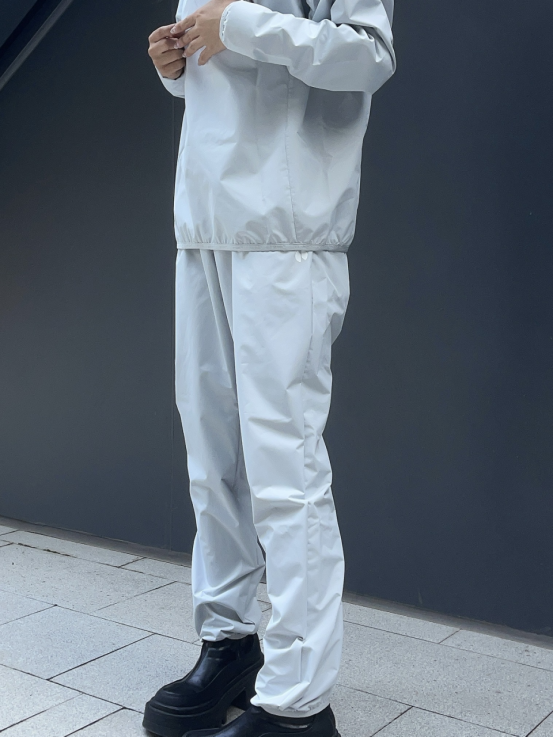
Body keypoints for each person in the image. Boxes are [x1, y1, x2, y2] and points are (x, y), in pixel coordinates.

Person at [143, 0, 395, 735]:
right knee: (212, 459)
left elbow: (368, 56)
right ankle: (229, 644)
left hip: (287, 229)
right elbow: (225, 75)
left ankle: (297, 703)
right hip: (203, 219)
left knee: (285, 466)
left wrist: (240, 25)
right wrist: (175, 67)